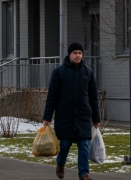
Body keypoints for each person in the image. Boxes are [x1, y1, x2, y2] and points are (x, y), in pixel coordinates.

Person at [43, 43, 101, 180]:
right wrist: (47, 117)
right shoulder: (59, 72)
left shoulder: (88, 72)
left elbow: (93, 97)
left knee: (84, 146)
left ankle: (84, 174)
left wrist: (96, 118)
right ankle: (60, 163)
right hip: (65, 116)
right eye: (75, 53)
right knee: (64, 146)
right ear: (69, 54)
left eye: (80, 53)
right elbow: (52, 96)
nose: (78, 55)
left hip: (83, 116)